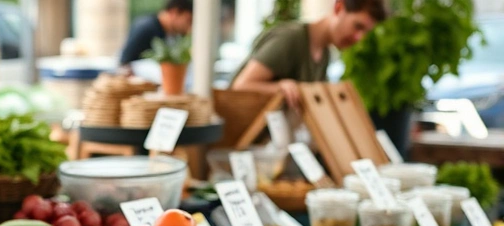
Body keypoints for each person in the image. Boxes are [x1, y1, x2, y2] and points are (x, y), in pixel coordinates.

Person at [230, 0, 387, 109]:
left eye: (365, 32)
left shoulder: (325, 55)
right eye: (357, 26)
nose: (358, 38)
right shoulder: (291, 39)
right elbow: (240, 86)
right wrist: (279, 87)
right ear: (339, 8)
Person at [118, 0, 194, 68]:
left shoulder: (174, 35)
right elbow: (124, 62)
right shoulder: (146, 28)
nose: (190, 26)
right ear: (174, 12)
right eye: (188, 20)